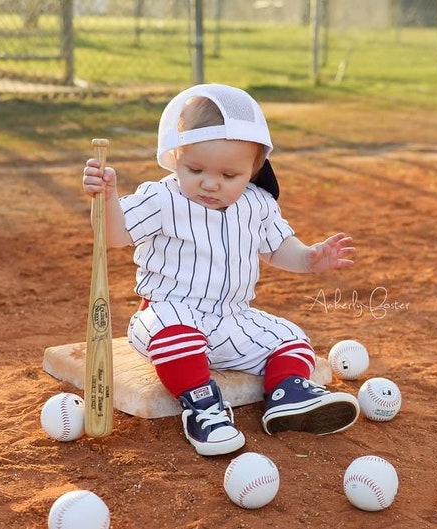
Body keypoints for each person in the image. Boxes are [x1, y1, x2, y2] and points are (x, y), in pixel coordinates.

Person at [82, 84, 360, 457]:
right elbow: (114, 236)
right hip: (169, 310)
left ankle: (286, 393)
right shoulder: (162, 198)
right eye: (195, 169)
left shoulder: (257, 204)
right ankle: (202, 407)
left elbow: (279, 248)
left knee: (291, 338)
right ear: (174, 156)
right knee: (175, 335)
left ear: (254, 169)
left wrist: (310, 257)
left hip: (232, 317)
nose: (211, 183)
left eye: (230, 175)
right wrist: (108, 198)